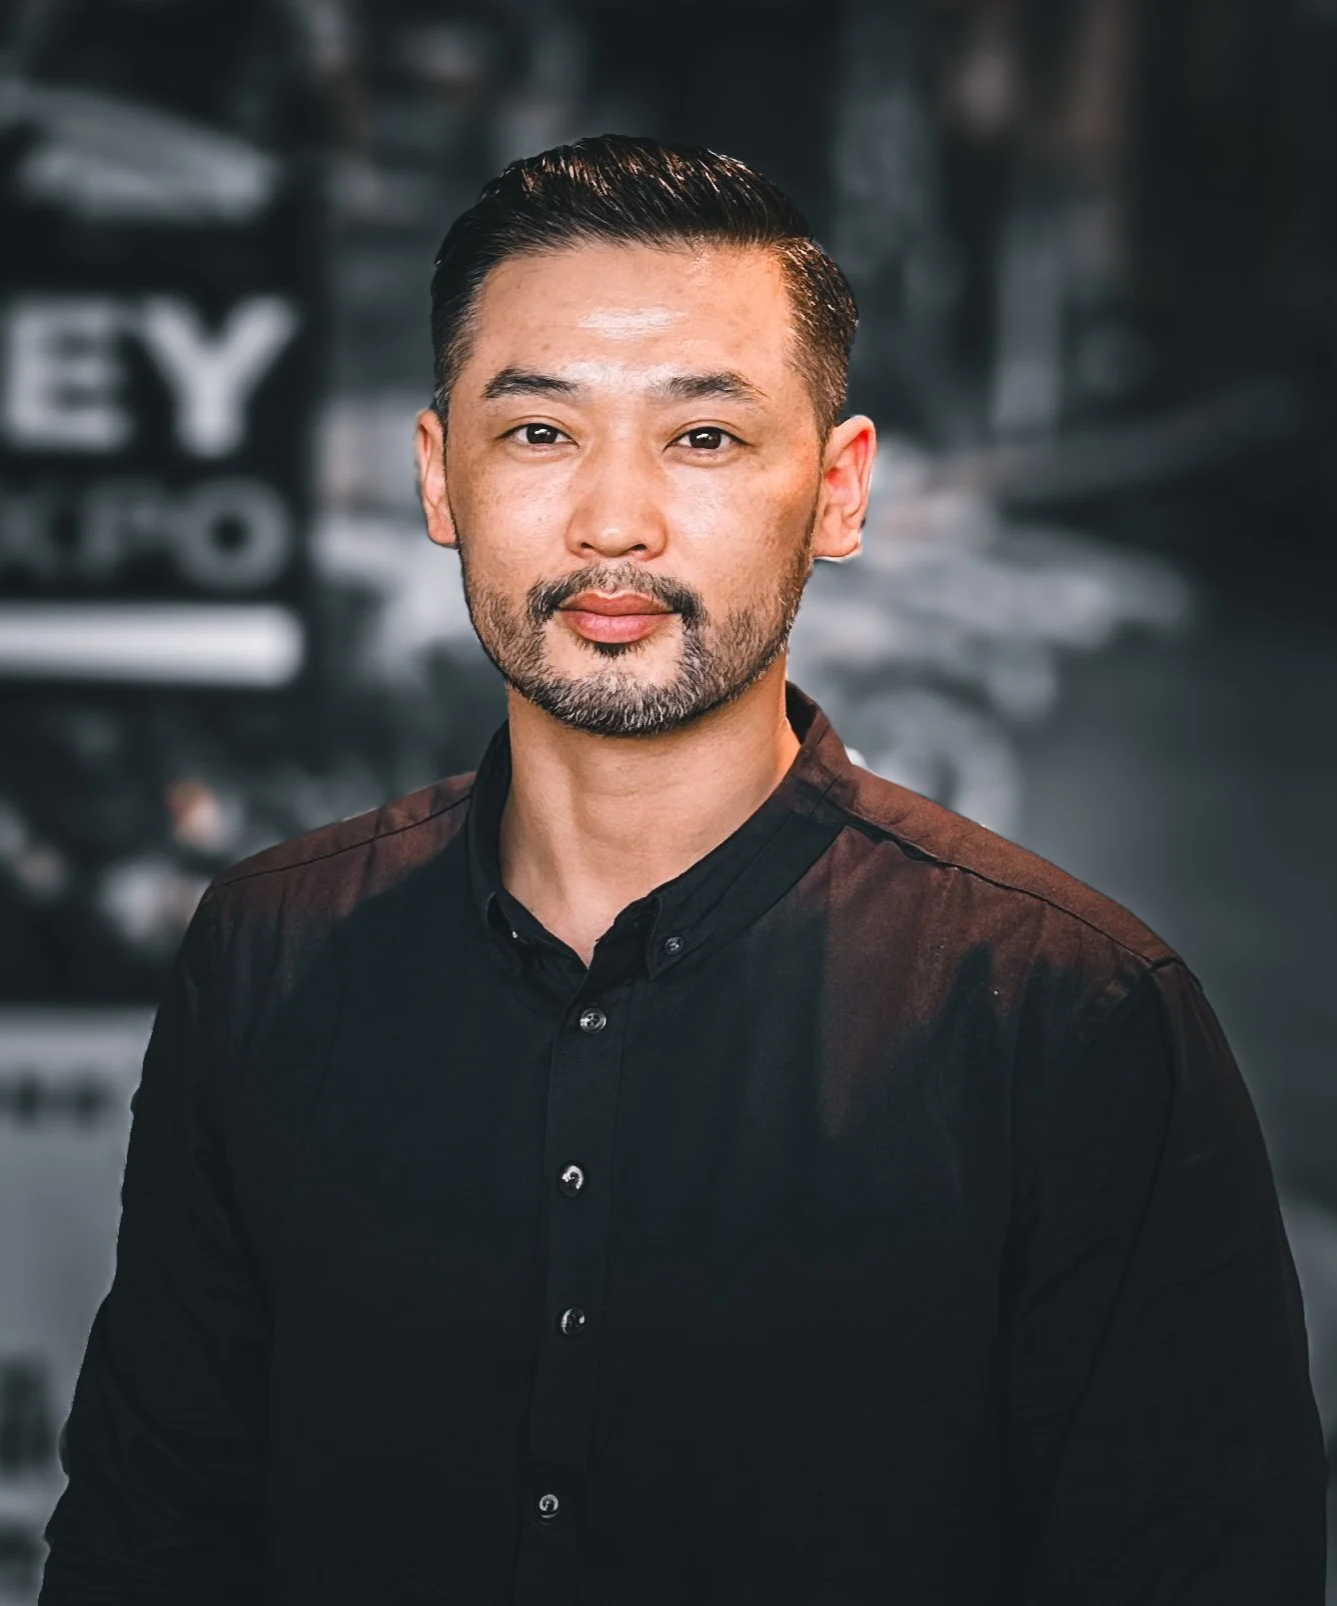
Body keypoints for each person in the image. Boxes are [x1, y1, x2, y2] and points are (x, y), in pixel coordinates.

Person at [40, 134, 1326, 1605]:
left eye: (703, 437)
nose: (613, 522)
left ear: (839, 492)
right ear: (437, 474)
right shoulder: (267, 953)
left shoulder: (1073, 1020)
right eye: (539, 432)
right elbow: (147, 1548)